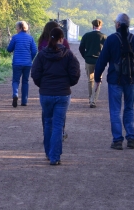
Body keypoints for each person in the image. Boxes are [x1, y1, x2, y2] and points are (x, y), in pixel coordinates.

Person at [94, 13, 134, 150]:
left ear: (118, 25)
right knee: (129, 108)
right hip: (132, 80)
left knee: (115, 110)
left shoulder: (111, 40)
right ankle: (131, 138)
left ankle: (117, 141)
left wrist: (97, 78)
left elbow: (102, 61)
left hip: (115, 80)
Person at [31, 27, 80, 165]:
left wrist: (42, 85)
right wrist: (68, 84)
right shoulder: (68, 54)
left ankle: (48, 152)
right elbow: (75, 73)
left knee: (47, 122)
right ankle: (55, 156)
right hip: (62, 94)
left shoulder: (42, 55)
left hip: (46, 93)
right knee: (58, 125)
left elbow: (35, 73)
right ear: (62, 39)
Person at [7, 21, 37, 107]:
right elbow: (34, 50)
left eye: (16, 27)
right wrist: (30, 58)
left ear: (20, 28)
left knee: (16, 80)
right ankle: (24, 101)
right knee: (25, 81)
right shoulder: (30, 38)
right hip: (27, 63)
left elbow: (9, 49)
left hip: (17, 63)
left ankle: (15, 94)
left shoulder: (15, 37)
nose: (16, 29)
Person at [79, 19, 107, 108]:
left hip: (89, 61)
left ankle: (90, 97)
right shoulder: (104, 37)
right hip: (99, 61)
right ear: (100, 26)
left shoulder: (86, 36)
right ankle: (93, 100)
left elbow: (81, 48)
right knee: (98, 80)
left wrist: (86, 56)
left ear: (93, 26)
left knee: (90, 80)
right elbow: (107, 50)